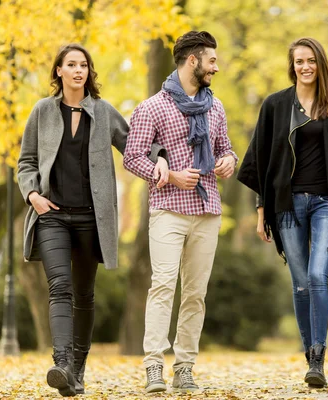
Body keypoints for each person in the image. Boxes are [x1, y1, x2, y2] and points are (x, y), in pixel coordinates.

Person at [17, 44, 168, 397]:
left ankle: (77, 371)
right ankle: (63, 363)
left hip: (91, 219)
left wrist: (159, 157)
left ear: (89, 71)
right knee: (60, 288)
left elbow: (135, 144)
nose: (78, 70)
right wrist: (33, 195)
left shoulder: (102, 112)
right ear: (58, 71)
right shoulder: (42, 111)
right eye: (71, 65)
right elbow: (25, 162)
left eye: (83, 65)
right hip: (51, 215)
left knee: (84, 294)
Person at [237, 37, 328, 389]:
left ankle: (318, 356)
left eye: (311, 60)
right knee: (300, 282)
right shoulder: (275, 106)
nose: (305, 66)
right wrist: (260, 213)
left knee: (318, 275)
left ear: (320, 64)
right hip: (287, 205)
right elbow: (262, 165)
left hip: (327, 203)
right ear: (292, 66)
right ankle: (308, 354)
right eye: (299, 61)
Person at [123, 31, 237, 394]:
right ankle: (154, 365)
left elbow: (227, 149)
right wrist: (169, 174)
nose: (216, 67)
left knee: (195, 294)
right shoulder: (152, 107)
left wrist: (227, 162)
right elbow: (132, 157)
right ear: (193, 61)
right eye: (212, 61)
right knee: (163, 285)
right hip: (168, 210)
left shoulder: (215, 107)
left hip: (208, 209)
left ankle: (184, 366)